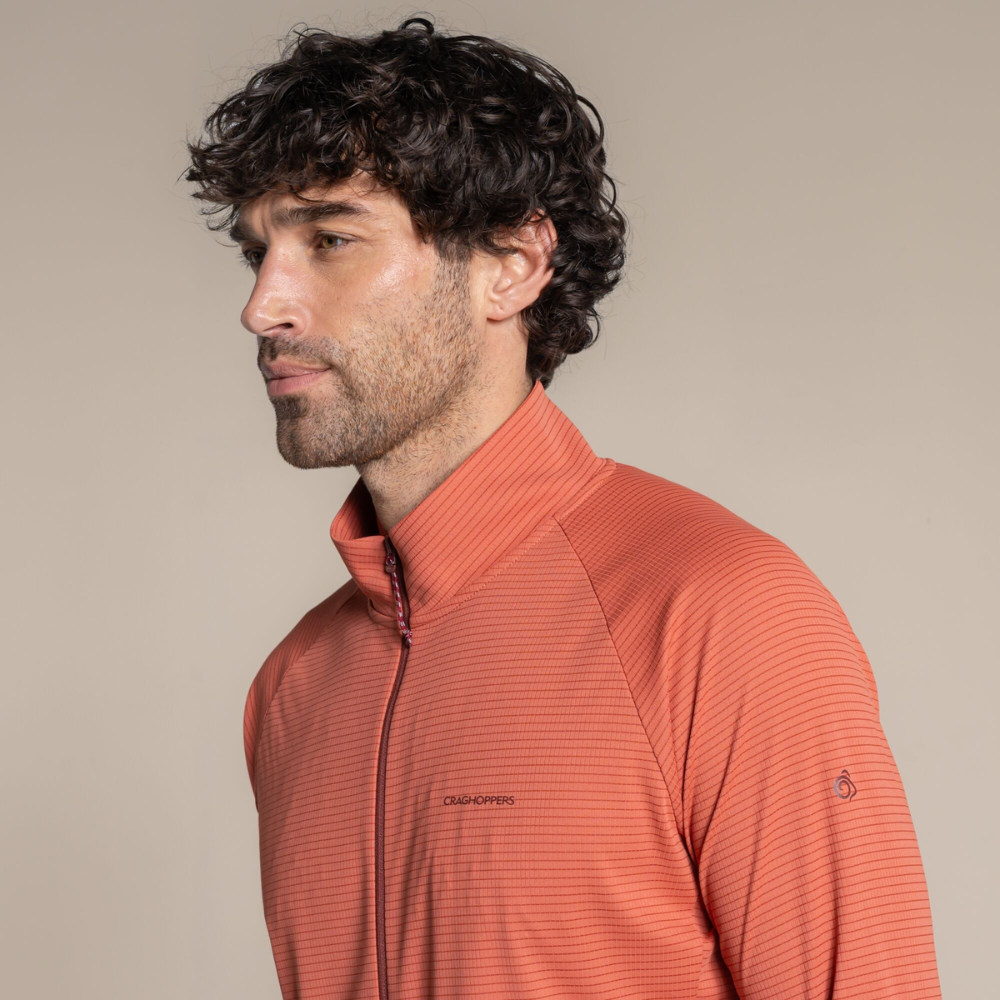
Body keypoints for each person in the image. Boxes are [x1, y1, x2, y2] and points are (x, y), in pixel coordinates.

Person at [183, 16, 943, 1000]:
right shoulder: (293, 685)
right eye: (258, 253)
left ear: (512, 263)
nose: (263, 306)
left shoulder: (722, 613)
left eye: (330, 240)